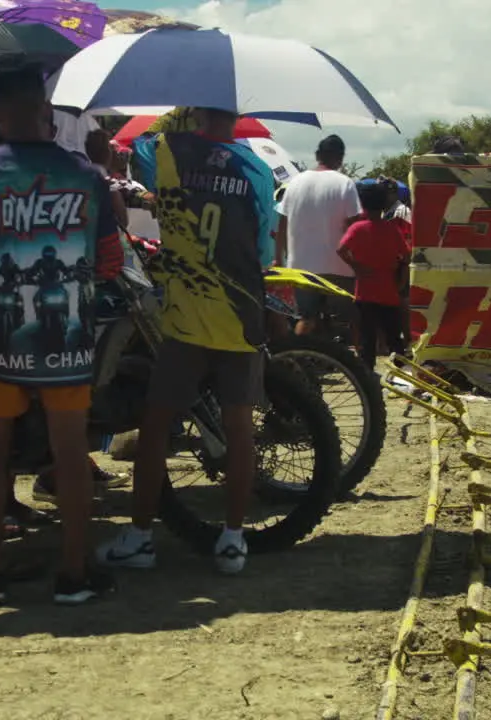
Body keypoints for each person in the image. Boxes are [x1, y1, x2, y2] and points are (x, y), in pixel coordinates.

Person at [0, 58, 124, 606]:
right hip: (67, 339)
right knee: (70, 454)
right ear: (44, 109)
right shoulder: (86, 175)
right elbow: (111, 261)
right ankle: (72, 573)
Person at [100, 107, 274, 576]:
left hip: (186, 318)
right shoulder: (255, 168)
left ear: (192, 112)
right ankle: (233, 541)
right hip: (240, 315)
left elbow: (126, 148)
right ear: (234, 116)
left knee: (156, 427)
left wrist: (176, 117)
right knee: (239, 430)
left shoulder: (164, 152)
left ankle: (139, 537)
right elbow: (265, 249)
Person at [277, 135, 361, 335]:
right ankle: (361, 362)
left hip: (300, 268)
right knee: (354, 317)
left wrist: (280, 259)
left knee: (306, 318)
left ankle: (299, 359)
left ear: (317, 155)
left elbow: (281, 226)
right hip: (338, 267)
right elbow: (355, 228)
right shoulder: (345, 184)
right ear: (340, 159)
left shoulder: (295, 183)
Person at [337, 179, 411, 371]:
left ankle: (367, 376)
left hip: (365, 293)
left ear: (362, 204)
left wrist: (357, 266)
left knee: (367, 339)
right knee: (394, 337)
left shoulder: (357, 228)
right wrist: (401, 282)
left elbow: (341, 250)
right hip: (389, 293)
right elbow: (406, 255)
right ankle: (402, 374)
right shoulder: (392, 229)